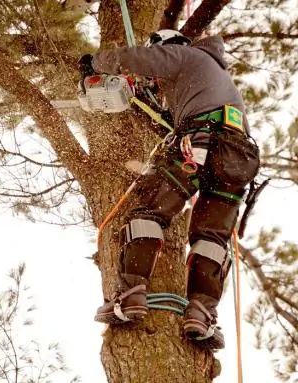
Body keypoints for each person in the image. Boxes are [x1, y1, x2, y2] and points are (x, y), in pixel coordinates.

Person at [78, 29, 260, 350]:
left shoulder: (183, 55)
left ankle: (131, 296)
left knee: (150, 212)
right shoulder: (209, 76)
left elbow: (133, 59)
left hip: (201, 143)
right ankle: (201, 316)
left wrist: (95, 63)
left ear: (166, 48)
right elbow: (173, 119)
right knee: (211, 237)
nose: (158, 84)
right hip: (239, 158)